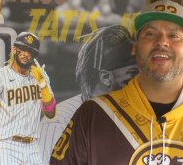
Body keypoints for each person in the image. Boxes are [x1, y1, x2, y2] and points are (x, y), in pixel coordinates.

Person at [50, 0, 183, 164]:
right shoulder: (95, 114)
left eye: (174, 36)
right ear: (135, 48)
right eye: (150, 34)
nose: (162, 42)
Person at [38, 25, 138, 164]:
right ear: (105, 77)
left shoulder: (134, 114)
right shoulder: (60, 121)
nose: (139, 81)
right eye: (133, 73)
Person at [0, 32, 56, 165]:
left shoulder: (40, 76)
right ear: (14, 50)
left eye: (31, 51)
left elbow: (51, 112)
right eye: (23, 49)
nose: (26, 54)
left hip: (33, 147)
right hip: (6, 147)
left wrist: (43, 84)